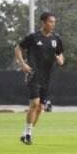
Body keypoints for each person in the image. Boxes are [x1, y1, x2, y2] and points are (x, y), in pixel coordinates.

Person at [15, 12, 64, 145]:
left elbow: (60, 54)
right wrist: (23, 64)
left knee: (40, 107)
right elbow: (18, 48)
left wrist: (60, 60)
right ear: (43, 22)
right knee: (34, 104)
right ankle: (28, 135)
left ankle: (26, 132)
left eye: (54, 22)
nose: (53, 24)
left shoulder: (56, 38)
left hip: (47, 77)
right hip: (34, 74)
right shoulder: (33, 37)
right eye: (50, 22)